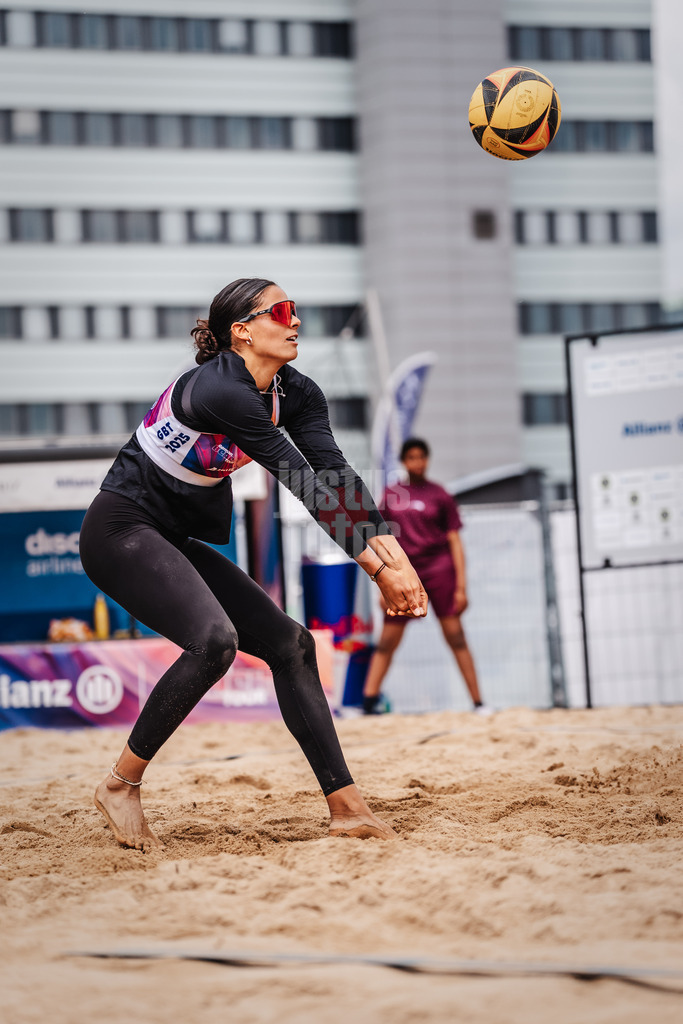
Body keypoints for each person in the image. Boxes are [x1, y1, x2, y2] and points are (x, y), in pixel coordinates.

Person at [79, 278, 427, 852]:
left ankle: (346, 807)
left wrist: (396, 556)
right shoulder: (221, 391)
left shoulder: (297, 392)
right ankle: (121, 785)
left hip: (171, 535)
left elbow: (334, 477)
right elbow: (300, 485)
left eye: (296, 312)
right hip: (119, 531)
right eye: (282, 312)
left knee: (292, 645)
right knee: (214, 641)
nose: (296, 322)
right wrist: (378, 571)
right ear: (241, 331)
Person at [362, 438, 489, 715]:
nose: (417, 462)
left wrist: (461, 587)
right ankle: (368, 702)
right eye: (411, 457)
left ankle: (479, 703)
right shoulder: (392, 494)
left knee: (456, 636)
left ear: (427, 459)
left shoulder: (440, 495)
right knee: (387, 640)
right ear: (404, 461)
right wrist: (382, 587)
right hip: (404, 572)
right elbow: (380, 539)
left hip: (440, 570)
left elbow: (455, 542)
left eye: (421, 456)